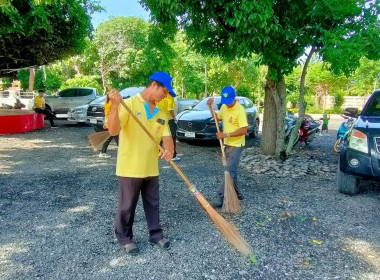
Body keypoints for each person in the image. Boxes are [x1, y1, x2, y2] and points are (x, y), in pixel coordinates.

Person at [108, 71, 175, 255]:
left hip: (151, 167)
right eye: (165, 91)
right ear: (154, 85)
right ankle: (124, 238)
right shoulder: (128, 104)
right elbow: (113, 130)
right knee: (127, 205)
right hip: (130, 167)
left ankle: (155, 235)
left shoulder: (161, 113)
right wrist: (114, 106)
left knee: (153, 203)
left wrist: (169, 149)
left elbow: (167, 137)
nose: (165, 95)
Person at [207, 86, 248, 208]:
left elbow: (244, 130)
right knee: (232, 171)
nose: (228, 104)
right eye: (226, 102)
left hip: (236, 145)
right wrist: (210, 107)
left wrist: (226, 134)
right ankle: (237, 193)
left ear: (234, 97)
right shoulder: (225, 107)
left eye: (229, 101)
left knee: (229, 172)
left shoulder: (240, 110)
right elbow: (217, 117)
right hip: (227, 144)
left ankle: (221, 197)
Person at [156, 92, 180, 161]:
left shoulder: (159, 97)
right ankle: (173, 155)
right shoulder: (170, 98)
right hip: (169, 120)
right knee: (172, 137)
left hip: (159, 119)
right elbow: (170, 110)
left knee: (159, 137)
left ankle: (157, 153)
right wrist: (175, 118)